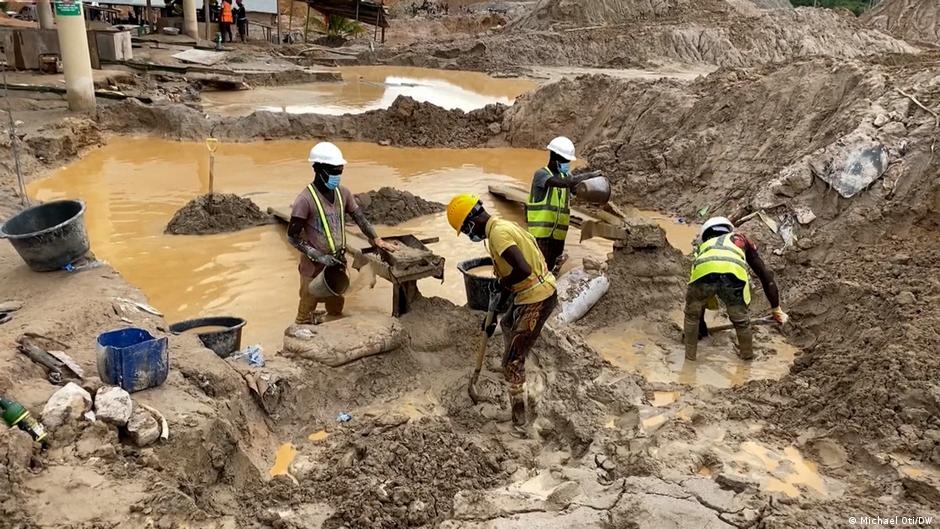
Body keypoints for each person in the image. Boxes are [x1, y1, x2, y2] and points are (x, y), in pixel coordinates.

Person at [447, 194, 558, 432]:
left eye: (466, 230)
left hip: (537, 297)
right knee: (507, 324)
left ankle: (520, 420)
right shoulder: (499, 227)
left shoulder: (498, 234)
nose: (469, 235)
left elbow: (522, 269)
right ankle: (517, 363)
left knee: (510, 362)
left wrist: (503, 284)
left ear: (470, 222)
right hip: (529, 294)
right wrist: (497, 307)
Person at [288, 142, 394, 324]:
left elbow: (360, 218)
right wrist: (318, 256)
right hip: (313, 268)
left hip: (337, 264)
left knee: (336, 310)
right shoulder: (305, 200)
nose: (337, 175)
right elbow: (293, 236)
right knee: (306, 310)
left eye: (340, 170)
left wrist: (376, 238)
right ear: (318, 169)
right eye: (333, 171)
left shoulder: (343, 193)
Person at [683, 216, 788, 361]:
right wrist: (776, 308)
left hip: (704, 273)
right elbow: (765, 276)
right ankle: (747, 360)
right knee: (741, 321)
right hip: (733, 276)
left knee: (691, 317)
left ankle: (689, 360)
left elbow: (697, 295)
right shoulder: (741, 240)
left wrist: (700, 328)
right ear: (728, 230)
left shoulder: (703, 248)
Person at [525, 136, 593, 273]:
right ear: (555, 158)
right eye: (565, 160)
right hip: (541, 236)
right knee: (539, 271)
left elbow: (577, 191)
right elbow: (566, 184)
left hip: (558, 237)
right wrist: (590, 175)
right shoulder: (542, 175)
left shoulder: (565, 177)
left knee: (553, 271)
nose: (567, 163)